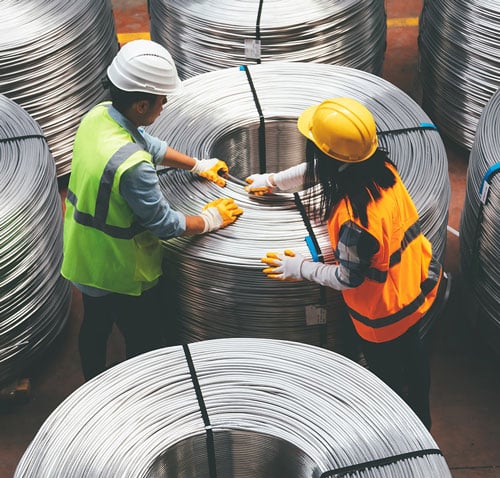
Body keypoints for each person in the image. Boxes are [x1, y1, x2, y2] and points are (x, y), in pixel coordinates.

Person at [246, 97, 443, 430]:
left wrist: (301, 268)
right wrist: (274, 181)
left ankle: (404, 431)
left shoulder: (355, 221)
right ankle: (423, 418)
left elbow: (347, 277)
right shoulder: (383, 171)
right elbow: (321, 168)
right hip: (417, 284)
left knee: (392, 381)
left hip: (383, 317)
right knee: (415, 361)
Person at [61, 40, 242, 381]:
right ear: (142, 105)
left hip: (83, 253)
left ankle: (92, 383)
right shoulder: (133, 167)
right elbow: (164, 224)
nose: (165, 105)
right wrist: (210, 219)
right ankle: (141, 391)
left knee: (96, 324)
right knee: (143, 336)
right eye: (161, 100)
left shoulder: (98, 116)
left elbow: (146, 142)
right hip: (120, 269)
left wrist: (196, 165)